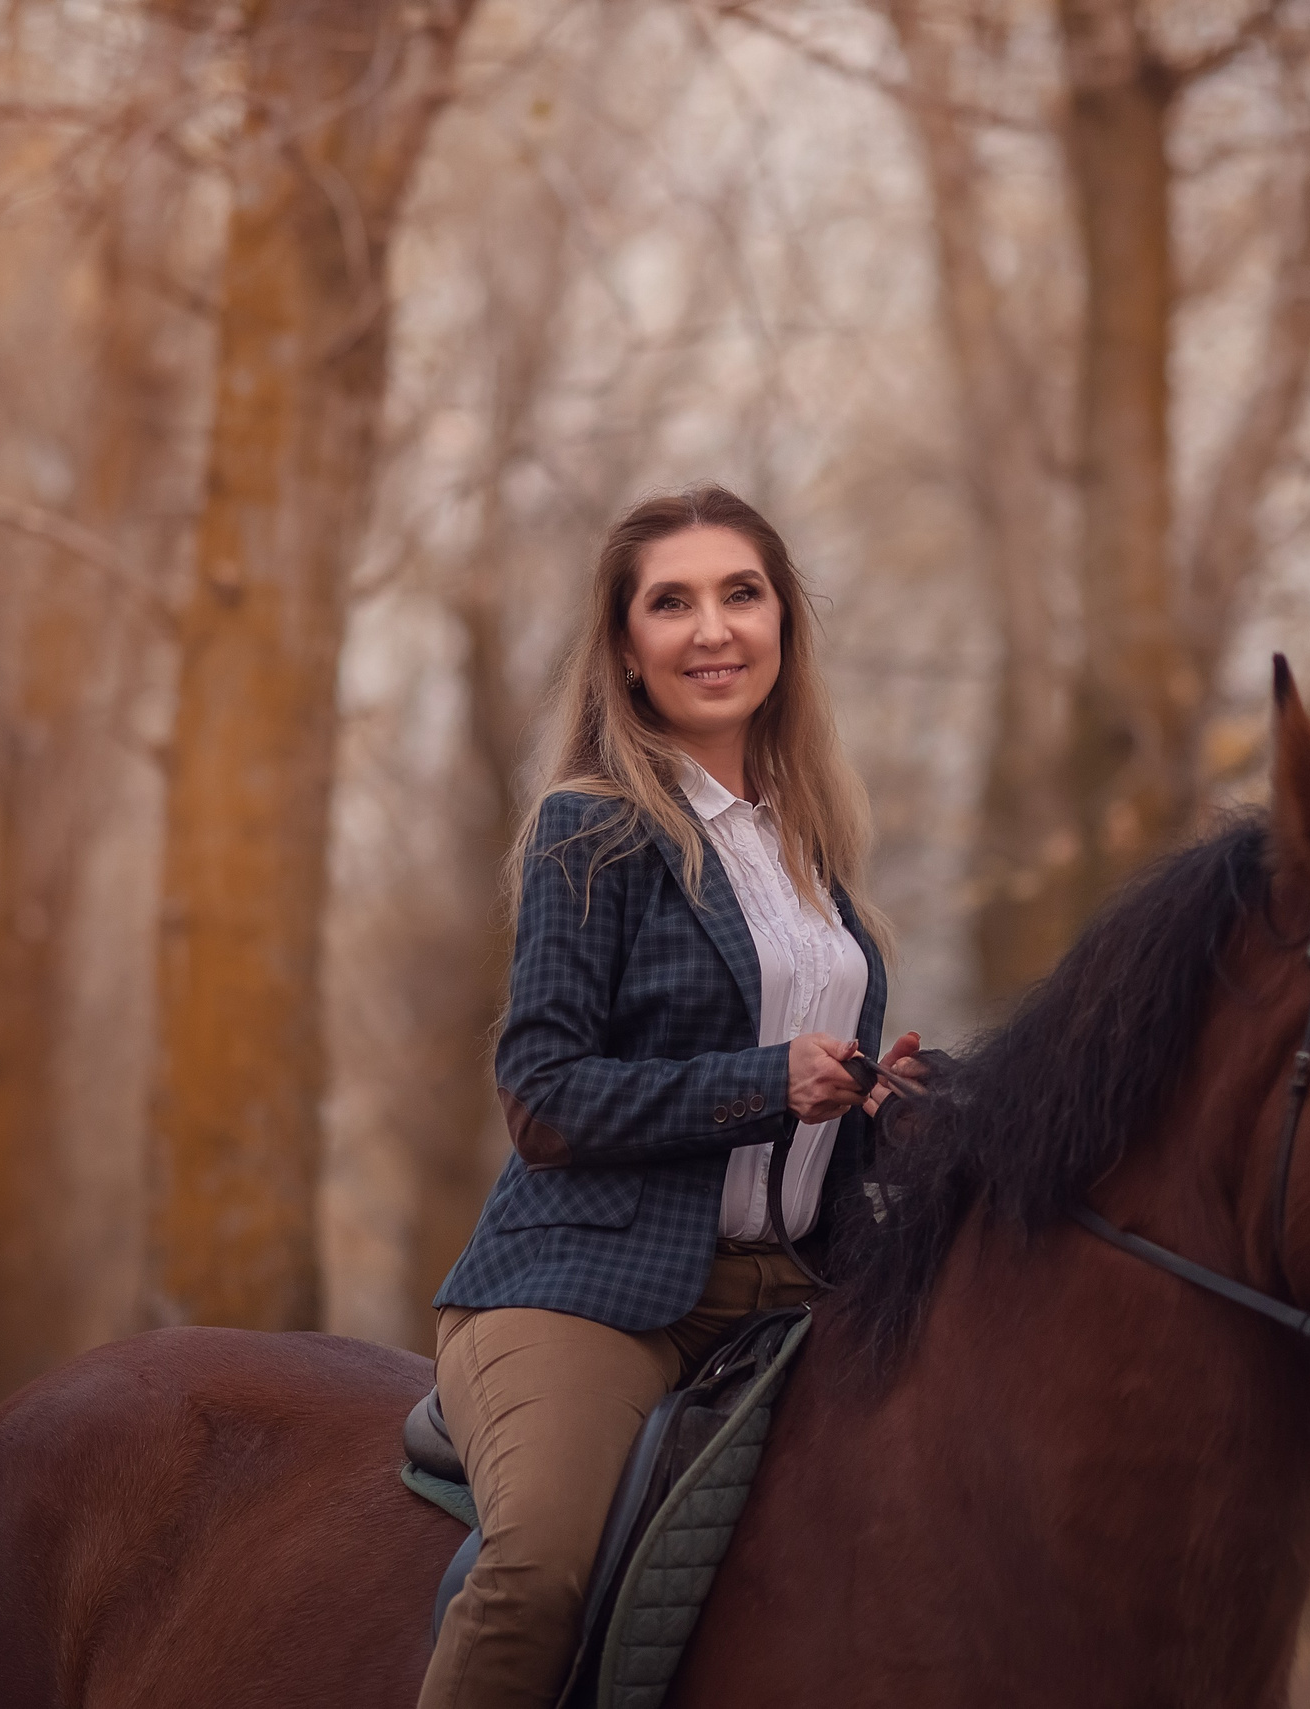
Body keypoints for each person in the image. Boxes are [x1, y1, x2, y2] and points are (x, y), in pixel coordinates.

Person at [418, 485, 923, 1709]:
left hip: (796, 1291)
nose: (712, 629)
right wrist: (768, 1082)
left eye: (740, 594)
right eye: (671, 603)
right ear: (627, 647)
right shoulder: (587, 831)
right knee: (535, 1571)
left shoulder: (810, 851)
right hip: (590, 1291)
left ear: (782, 624)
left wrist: (882, 1102)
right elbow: (543, 1097)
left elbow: (811, 1122)